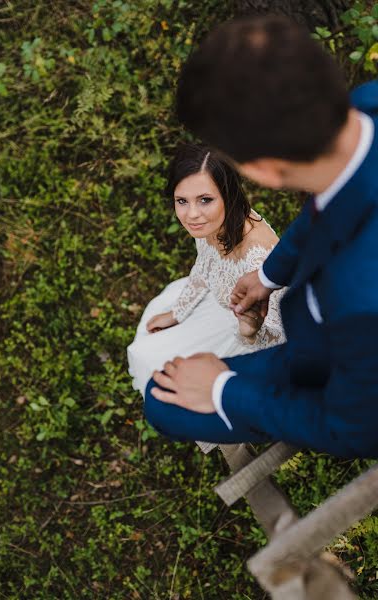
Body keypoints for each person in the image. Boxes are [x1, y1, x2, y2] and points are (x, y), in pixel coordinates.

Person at [144, 16, 378, 458]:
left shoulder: (358, 295)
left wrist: (223, 390)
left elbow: (354, 430)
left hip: (336, 365)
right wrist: (270, 275)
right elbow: (330, 204)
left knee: (161, 401)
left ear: (262, 172)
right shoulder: (369, 103)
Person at [127, 143, 285, 398]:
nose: (191, 215)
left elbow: (278, 339)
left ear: (228, 195)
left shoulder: (258, 258)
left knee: (170, 375)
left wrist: (249, 331)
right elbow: (205, 265)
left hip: (252, 342)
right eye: (182, 201)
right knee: (148, 351)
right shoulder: (214, 223)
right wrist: (178, 312)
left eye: (205, 200)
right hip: (220, 306)